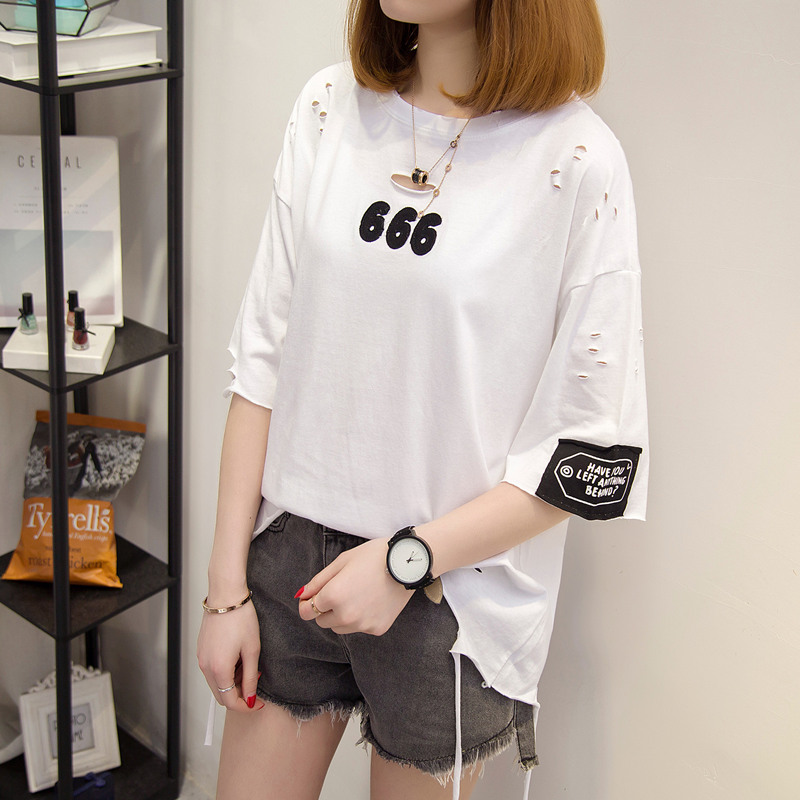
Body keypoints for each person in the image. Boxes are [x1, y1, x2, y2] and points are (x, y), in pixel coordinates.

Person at [197, 1, 649, 798]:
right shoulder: (329, 108)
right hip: (289, 558)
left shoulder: (576, 160)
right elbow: (261, 363)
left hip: (450, 595)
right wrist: (224, 591)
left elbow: (583, 455)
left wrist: (406, 560)